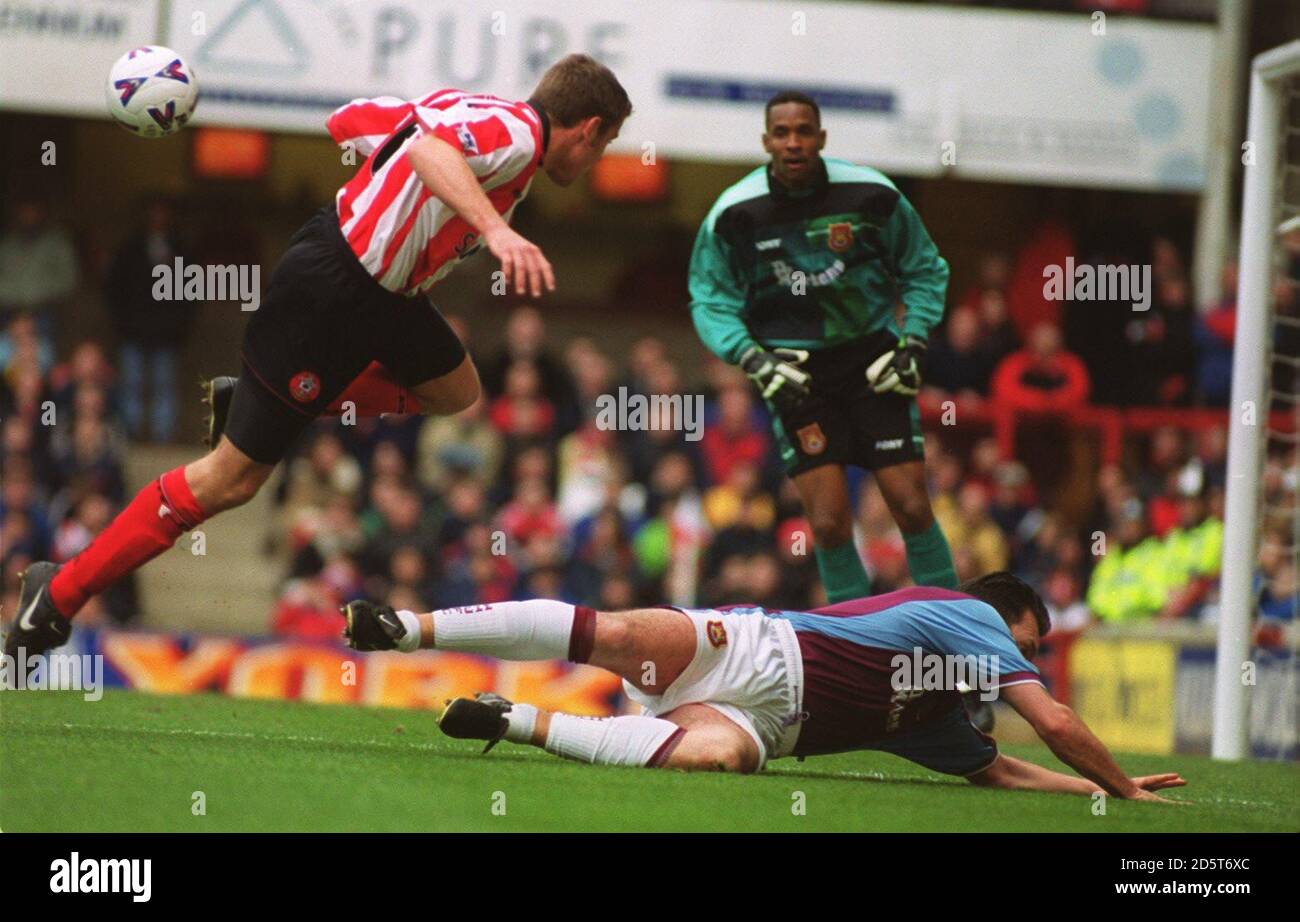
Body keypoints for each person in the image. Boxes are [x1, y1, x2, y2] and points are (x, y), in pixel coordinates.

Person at [5, 54, 631, 662]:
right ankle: (57, 595)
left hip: (387, 297)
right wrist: (495, 231)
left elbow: (357, 119)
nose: (597, 160)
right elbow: (428, 150)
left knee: (457, 390)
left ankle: (251, 398)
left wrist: (376, 166)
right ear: (588, 127)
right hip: (334, 291)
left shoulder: (487, 120)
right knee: (232, 479)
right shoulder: (518, 136)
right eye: (602, 147)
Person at [338, 571, 1186, 800]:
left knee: (716, 760)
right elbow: (1056, 719)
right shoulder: (967, 618)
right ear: (998, 623)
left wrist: (1097, 793)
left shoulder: (938, 719)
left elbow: (1001, 769)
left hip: (758, 726)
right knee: (618, 635)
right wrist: (1121, 789)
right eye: (1023, 647)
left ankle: (513, 720)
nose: (1021, 666)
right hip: (753, 653)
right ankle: (408, 630)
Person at [688, 90, 957, 605]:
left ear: (822, 138)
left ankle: (959, 643)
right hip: (794, 372)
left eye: (804, 132)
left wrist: (915, 343)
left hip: (875, 361)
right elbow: (709, 299)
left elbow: (925, 269)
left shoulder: (872, 195)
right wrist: (752, 359)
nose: (793, 143)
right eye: (782, 133)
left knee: (912, 507)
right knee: (830, 523)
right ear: (766, 141)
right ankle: (854, 645)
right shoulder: (734, 213)